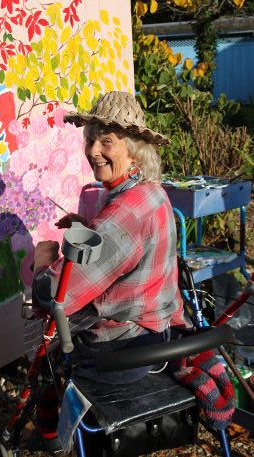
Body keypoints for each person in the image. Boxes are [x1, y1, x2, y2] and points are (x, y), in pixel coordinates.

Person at [31, 91, 191, 447]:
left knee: (51, 351)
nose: (92, 151)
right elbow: (123, 249)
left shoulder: (124, 211)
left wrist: (41, 262)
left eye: (106, 141)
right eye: (90, 140)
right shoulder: (151, 192)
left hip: (122, 356)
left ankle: (52, 439)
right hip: (159, 336)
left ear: (134, 149)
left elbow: (57, 295)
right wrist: (87, 227)